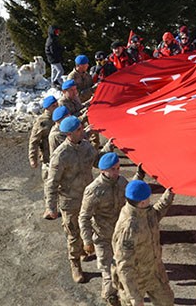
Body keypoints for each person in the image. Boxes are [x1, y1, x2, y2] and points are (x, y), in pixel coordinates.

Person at [79, 153, 145, 305]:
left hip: (120, 235)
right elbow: (84, 217)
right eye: (112, 169)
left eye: (118, 168)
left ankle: (124, 293)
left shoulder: (120, 181)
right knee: (108, 272)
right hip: (103, 237)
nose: (116, 172)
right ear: (103, 171)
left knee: (126, 267)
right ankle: (109, 297)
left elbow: (130, 191)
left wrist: (139, 175)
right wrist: (87, 240)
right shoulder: (93, 190)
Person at [44, 116, 100, 283]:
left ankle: (85, 249)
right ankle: (75, 263)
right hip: (70, 201)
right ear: (69, 134)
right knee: (73, 234)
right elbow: (51, 183)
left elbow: (96, 160)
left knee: (91, 226)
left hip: (88, 197)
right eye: (78, 130)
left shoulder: (85, 145)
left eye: (81, 128)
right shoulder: (60, 155)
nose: (82, 130)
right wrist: (51, 207)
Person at [112, 180, 175, 306]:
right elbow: (124, 265)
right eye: (148, 198)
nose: (150, 200)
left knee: (167, 301)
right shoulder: (129, 228)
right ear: (142, 202)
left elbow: (155, 215)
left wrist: (168, 196)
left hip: (154, 272)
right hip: (135, 280)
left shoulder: (144, 211)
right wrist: (134, 297)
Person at [28, 95, 57, 182]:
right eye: (53, 106)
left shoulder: (58, 117)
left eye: (56, 105)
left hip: (58, 154)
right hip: (47, 157)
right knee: (49, 181)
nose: (56, 107)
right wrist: (33, 158)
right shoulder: (42, 121)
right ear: (47, 108)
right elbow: (34, 141)